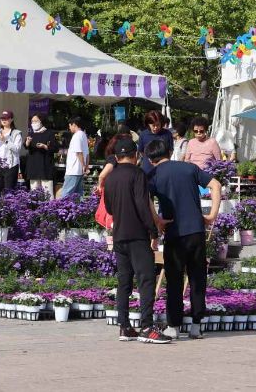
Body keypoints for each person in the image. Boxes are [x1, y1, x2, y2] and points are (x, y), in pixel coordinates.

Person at [146, 139, 222, 340]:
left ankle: (174, 326)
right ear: (170, 152)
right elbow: (215, 184)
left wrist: (157, 220)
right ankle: (197, 326)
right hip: (196, 230)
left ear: (150, 159)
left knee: (174, 279)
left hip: (174, 231)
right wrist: (212, 215)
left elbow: (145, 196)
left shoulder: (154, 174)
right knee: (197, 279)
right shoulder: (189, 168)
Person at [102, 138, 169, 344]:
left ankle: (124, 326)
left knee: (124, 281)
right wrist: (153, 231)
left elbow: (110, 208)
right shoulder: (138, 174)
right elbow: (142, 204)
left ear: (117, 156)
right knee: (146, 279)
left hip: (119, 235)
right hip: (137, 235)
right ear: (136, 155)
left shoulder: (111, 177)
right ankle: (147, 327)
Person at [0, 110, 23, 194]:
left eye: (6, 118)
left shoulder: (16, 133)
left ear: (11, 119)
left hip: (10, 165)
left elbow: (17, 149)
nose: (4, 120)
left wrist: (5, 140)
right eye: (2, 118)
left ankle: (9, 206)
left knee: (9, 191)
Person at [25, 114, 57, 197]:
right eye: (32, 121)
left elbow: (55, 148)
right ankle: (35, 208)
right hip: (33, 167)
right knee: (34, 191)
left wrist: (45, 146)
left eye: (36, 121)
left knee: (47, 191)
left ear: (41, 122)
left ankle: (50, 208)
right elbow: (25, 146)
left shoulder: (49, 133)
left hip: (45, 166)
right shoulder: (31, 134)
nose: (33, 123)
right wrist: (27, 143)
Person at [62, 116, 89, 197]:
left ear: (74, 124)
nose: (69, 128)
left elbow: (79, 152)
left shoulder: (76, 136)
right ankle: (79, 210)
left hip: (73, 170)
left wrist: (84, 166)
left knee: (66, 194)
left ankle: (62, 209)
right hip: (79, 171)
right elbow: (87, 154)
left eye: (70, 125)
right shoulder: (83, 135)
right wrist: (85, 167)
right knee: (77, 196)